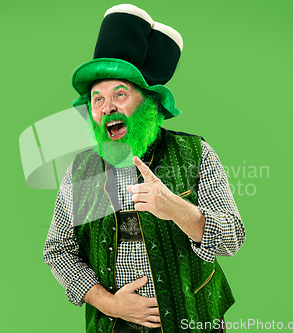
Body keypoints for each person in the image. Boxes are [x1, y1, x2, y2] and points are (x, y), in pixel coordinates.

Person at [43, 4, 245, 333]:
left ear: (148, 102)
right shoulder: (80, 172)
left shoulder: (195, 153)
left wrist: (177, 208)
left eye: (120, 94)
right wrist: (109, 303)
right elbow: (58, 250)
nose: (107, 107)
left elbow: (231, 239)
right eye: (97, 99)